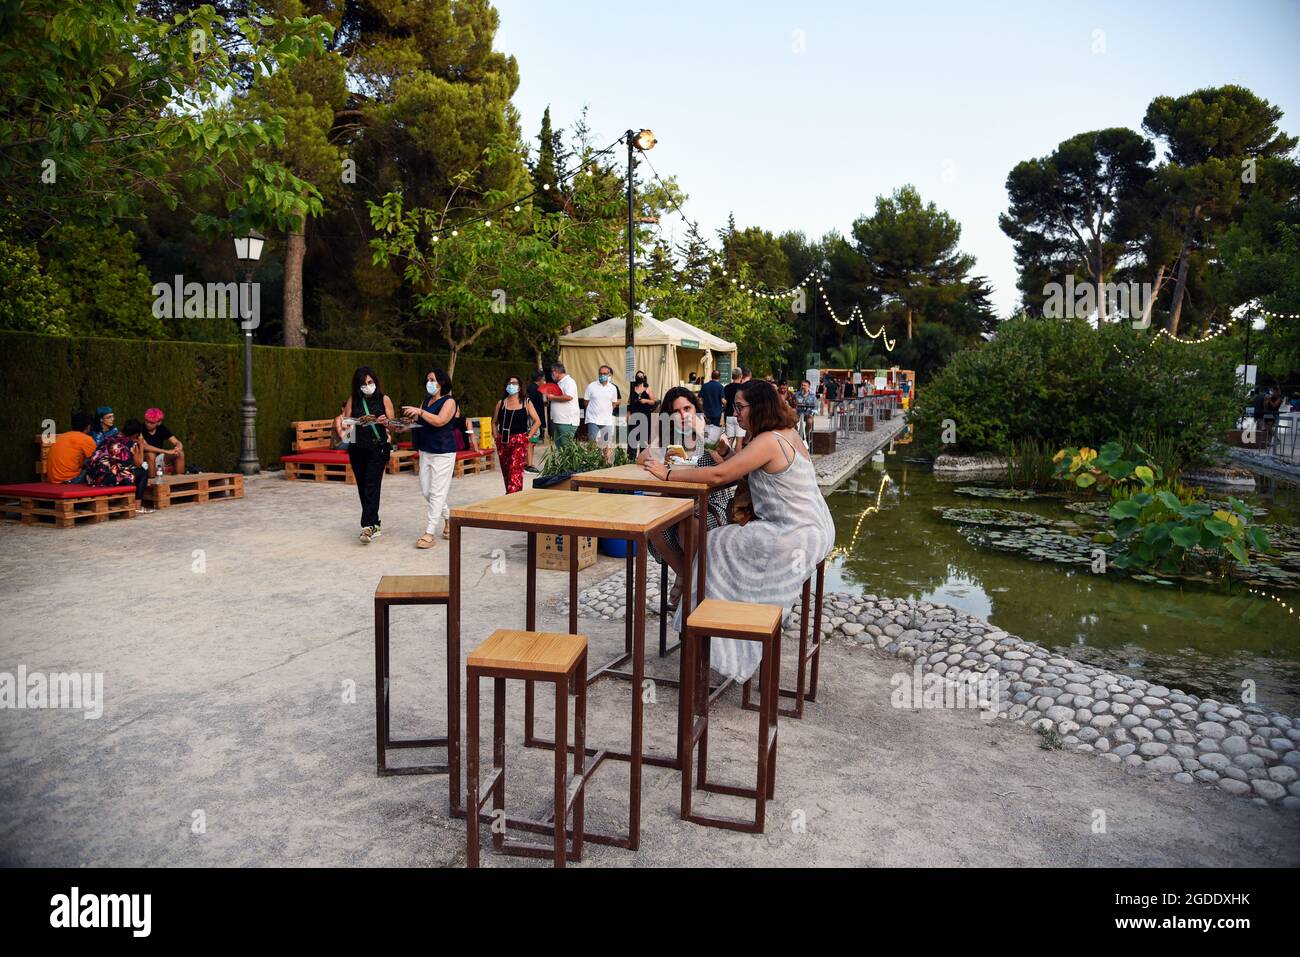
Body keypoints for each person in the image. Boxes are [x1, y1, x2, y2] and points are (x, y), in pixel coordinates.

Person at [641, 379, 835, 682]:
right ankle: (710, 618)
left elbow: (721, 474)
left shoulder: (768, 440)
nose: (736, 414)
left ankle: (712, 632)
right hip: (815, 527)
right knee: (715, 543)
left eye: (740, 407)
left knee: (713, 545)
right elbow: (738, 471)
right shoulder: (785, 434)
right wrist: (725, 454)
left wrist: (667, 474)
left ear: (758, 407)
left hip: (794, 533)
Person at [636, 387, 737, 611]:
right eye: (676, 411)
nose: (683, 415)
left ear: (695, 408)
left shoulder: (712, 432)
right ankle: (687, 579)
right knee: (654, 527)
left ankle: (693, 592)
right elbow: (641, 459)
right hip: (679, 503)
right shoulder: (669, 438)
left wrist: (704, 437)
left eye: (687, 408)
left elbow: (729, 468)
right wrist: (661, 452)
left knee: (686, 524)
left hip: (712, 504)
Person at [335, 366, 394, 544]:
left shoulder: (384, 399)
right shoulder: (353, 399)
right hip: (357, 448)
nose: (368, 386)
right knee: (363, 485)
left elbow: (393, 425)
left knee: (371, 483)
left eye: (370, 382)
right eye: (363, 384)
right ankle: (375, 523)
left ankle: (367, 526)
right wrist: (355, 422)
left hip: (378, 447)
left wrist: (386, 421)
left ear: (375, 382)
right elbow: (345, 423)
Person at [401, 368, 457, 549]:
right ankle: (449, 518)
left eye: (432, 379)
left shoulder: (449, 402)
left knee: (437, 492)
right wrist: (402, 426)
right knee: (427, 491)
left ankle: (429, 532)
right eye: (427, 379)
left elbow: (440, 421)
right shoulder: (425, 401)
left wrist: (420, 411)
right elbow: (421, 422)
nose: (429, 383)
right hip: (426, 450)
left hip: (443, 452)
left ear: (441, 382)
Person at [85, 418, 150, 509]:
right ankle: (137, 506)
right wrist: (141, 445)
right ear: (136, 434)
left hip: (93, 477)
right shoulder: (130, 443)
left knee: (125, 471)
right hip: (108, 478)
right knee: (143, 472)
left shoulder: (109, 438)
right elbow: (139, 464)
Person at [493, 374, 542, 494]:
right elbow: (494, 422)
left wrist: (528, 436)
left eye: (514, 383)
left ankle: (511, 498)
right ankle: (513, 496)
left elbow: (537, 421)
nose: (511, 385)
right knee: (507, 473)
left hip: (519, 440)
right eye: (509, 383)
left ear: (520, 387)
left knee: (515, 473)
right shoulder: (501, 403)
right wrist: (496, 437)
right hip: (503, 441)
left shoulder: (526, 402)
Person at [582, 364, 620, 462]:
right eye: (600, 373)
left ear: (609, 375)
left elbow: (614, 403)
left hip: (607, 420)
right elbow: (585, 402)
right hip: (593, 419)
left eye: (604, 373)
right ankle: (591, 462)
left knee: (606, 444)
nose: (602, 375)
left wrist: (606, 410)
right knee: (592, 442)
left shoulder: (613, 388)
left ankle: (606, 463)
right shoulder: (591, 386)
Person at [47, 411, 96, 484]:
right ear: (88, 426)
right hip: (71, 479)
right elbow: (96, 460)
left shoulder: (61, 437)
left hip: (53, 479)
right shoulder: (86, 439)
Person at [141, 408, 185, 477]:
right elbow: (146, 447)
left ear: (159, 422)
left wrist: (178, 447)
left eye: (152, 423)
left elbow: (177, 442)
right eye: (146, 421)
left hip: (158, 458)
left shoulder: (162, 428)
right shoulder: (140, 428)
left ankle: (181, 481)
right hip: (144, 460)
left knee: (180, 453)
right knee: (151, 454)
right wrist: (166, 451)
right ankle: (153, 484)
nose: (148, 424)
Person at [546, 362, 580, 447]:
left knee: (567, 448)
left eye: (552, 372)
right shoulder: (560, 383)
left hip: (567, 421)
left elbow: (568, 397)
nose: (552, 374)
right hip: (558, 420)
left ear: (555, 372)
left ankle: (571, 461)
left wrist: (552, 397)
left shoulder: (569, 382)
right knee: (561, 449)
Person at [627, 369, 657, 458]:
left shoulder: (648, 389)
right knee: (632, 437)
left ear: (644, 378)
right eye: (638, 376)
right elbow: (630, 401)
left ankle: (642, 458)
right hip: (634, 415)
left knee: (643, 438)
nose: (639, 377)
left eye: (641, 376)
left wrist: (646, 400)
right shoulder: (633, 388)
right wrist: (628, 413)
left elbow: (653, 401)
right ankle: (631, 458)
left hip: (645, 416)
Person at [525, 369, 549, 472]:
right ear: (540, 379)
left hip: (535, 419)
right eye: (543, 378)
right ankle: (528, 464)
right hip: (533, 419)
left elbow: (537, 404)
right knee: (531, 441)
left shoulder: (535, 388)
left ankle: (529, 463)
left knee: (533, 442)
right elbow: (532, 405)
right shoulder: (533, 389)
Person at [700, 369, 725, 443]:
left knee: (706, 432)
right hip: (717, 413)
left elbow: (699, 399)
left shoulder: (705, 386)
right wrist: (725, 406)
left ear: (711, 376)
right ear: (719, 377)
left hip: (706, 413)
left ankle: (706, 449)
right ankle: (712, 448)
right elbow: (723, 400)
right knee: (715, 433)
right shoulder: (720, 387)